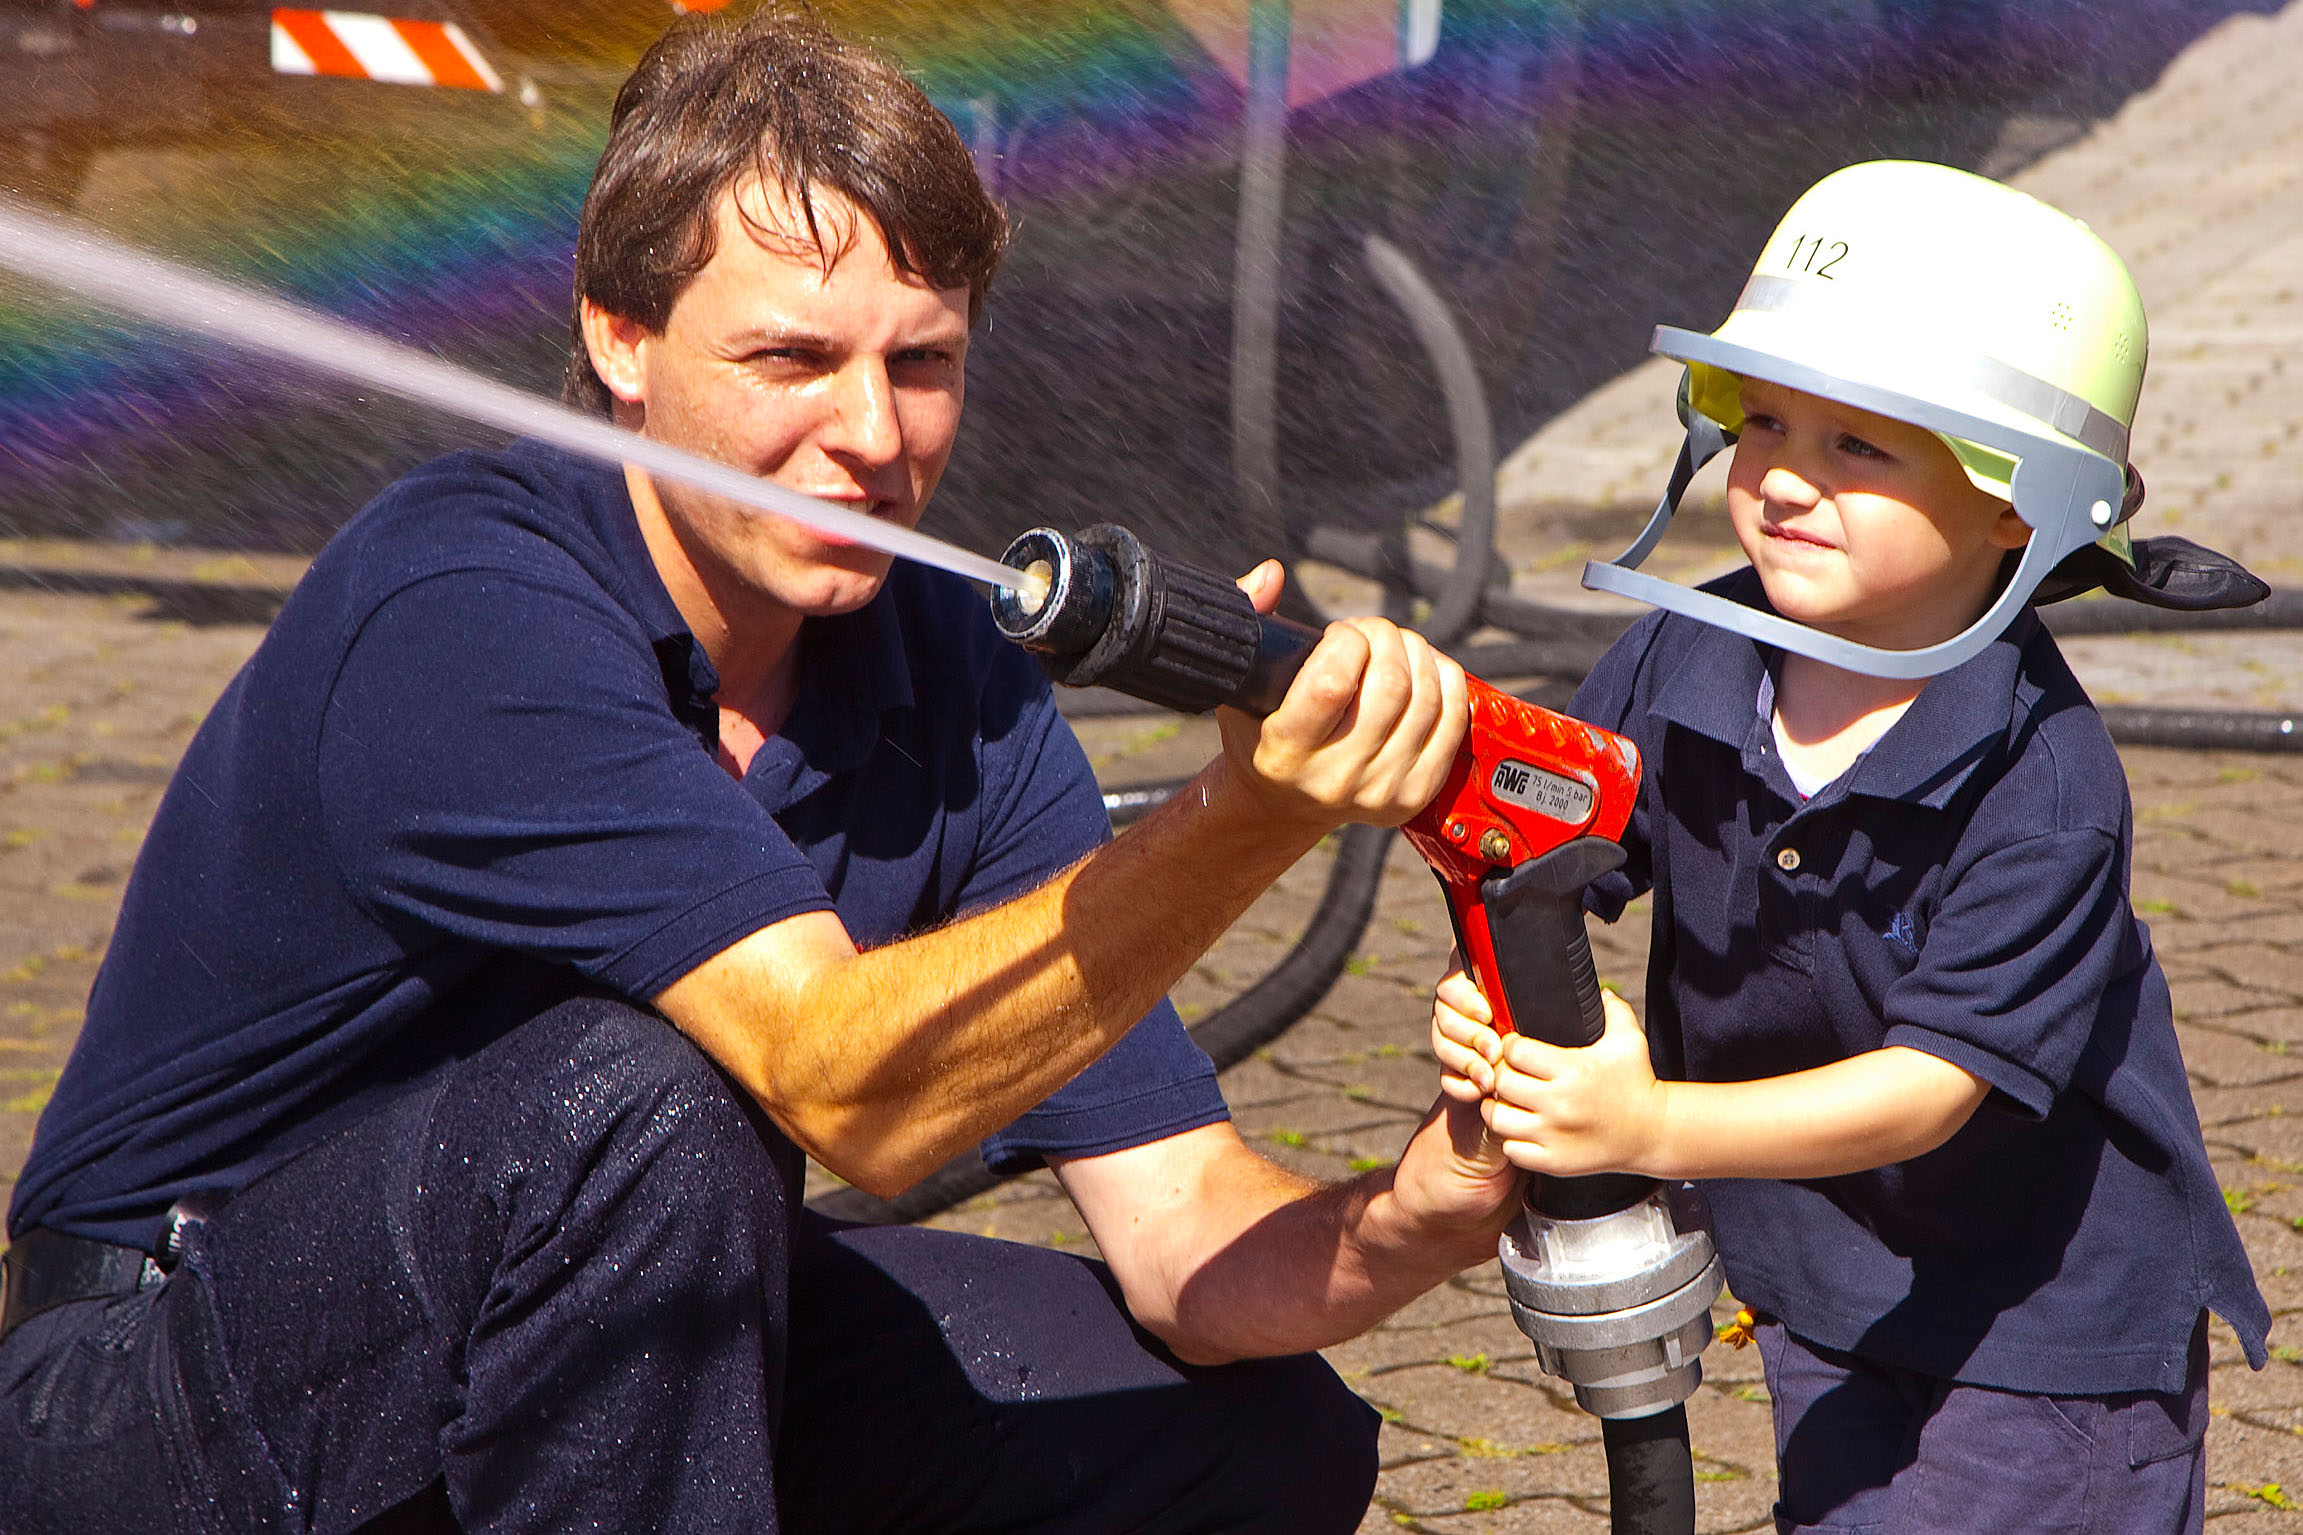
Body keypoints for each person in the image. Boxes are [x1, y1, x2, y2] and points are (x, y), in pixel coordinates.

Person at [0, 9, 1530, 1531]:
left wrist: (1417, 1212)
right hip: (165, 1385)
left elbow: (1182, 1231)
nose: (869, 433)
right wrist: (1247, 817)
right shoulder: (467, 599)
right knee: (647, 1105)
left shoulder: (958, 678)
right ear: (621, 338)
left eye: (921, 362)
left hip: (589, 1330)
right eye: (791, 357)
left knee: (1242, 1437)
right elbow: (842, 1085)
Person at [1432, 160, 2272, 1533]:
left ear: (2020, 504)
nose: (1781, 478)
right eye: (1762, 419)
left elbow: (1929, 1089)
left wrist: (1649, 1125)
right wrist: (1491, 983)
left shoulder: (2042, 778)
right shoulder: (1684, 659)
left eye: (1859, 447)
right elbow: (1541, 845)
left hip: (2043, 1325)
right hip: (1826, 1274)